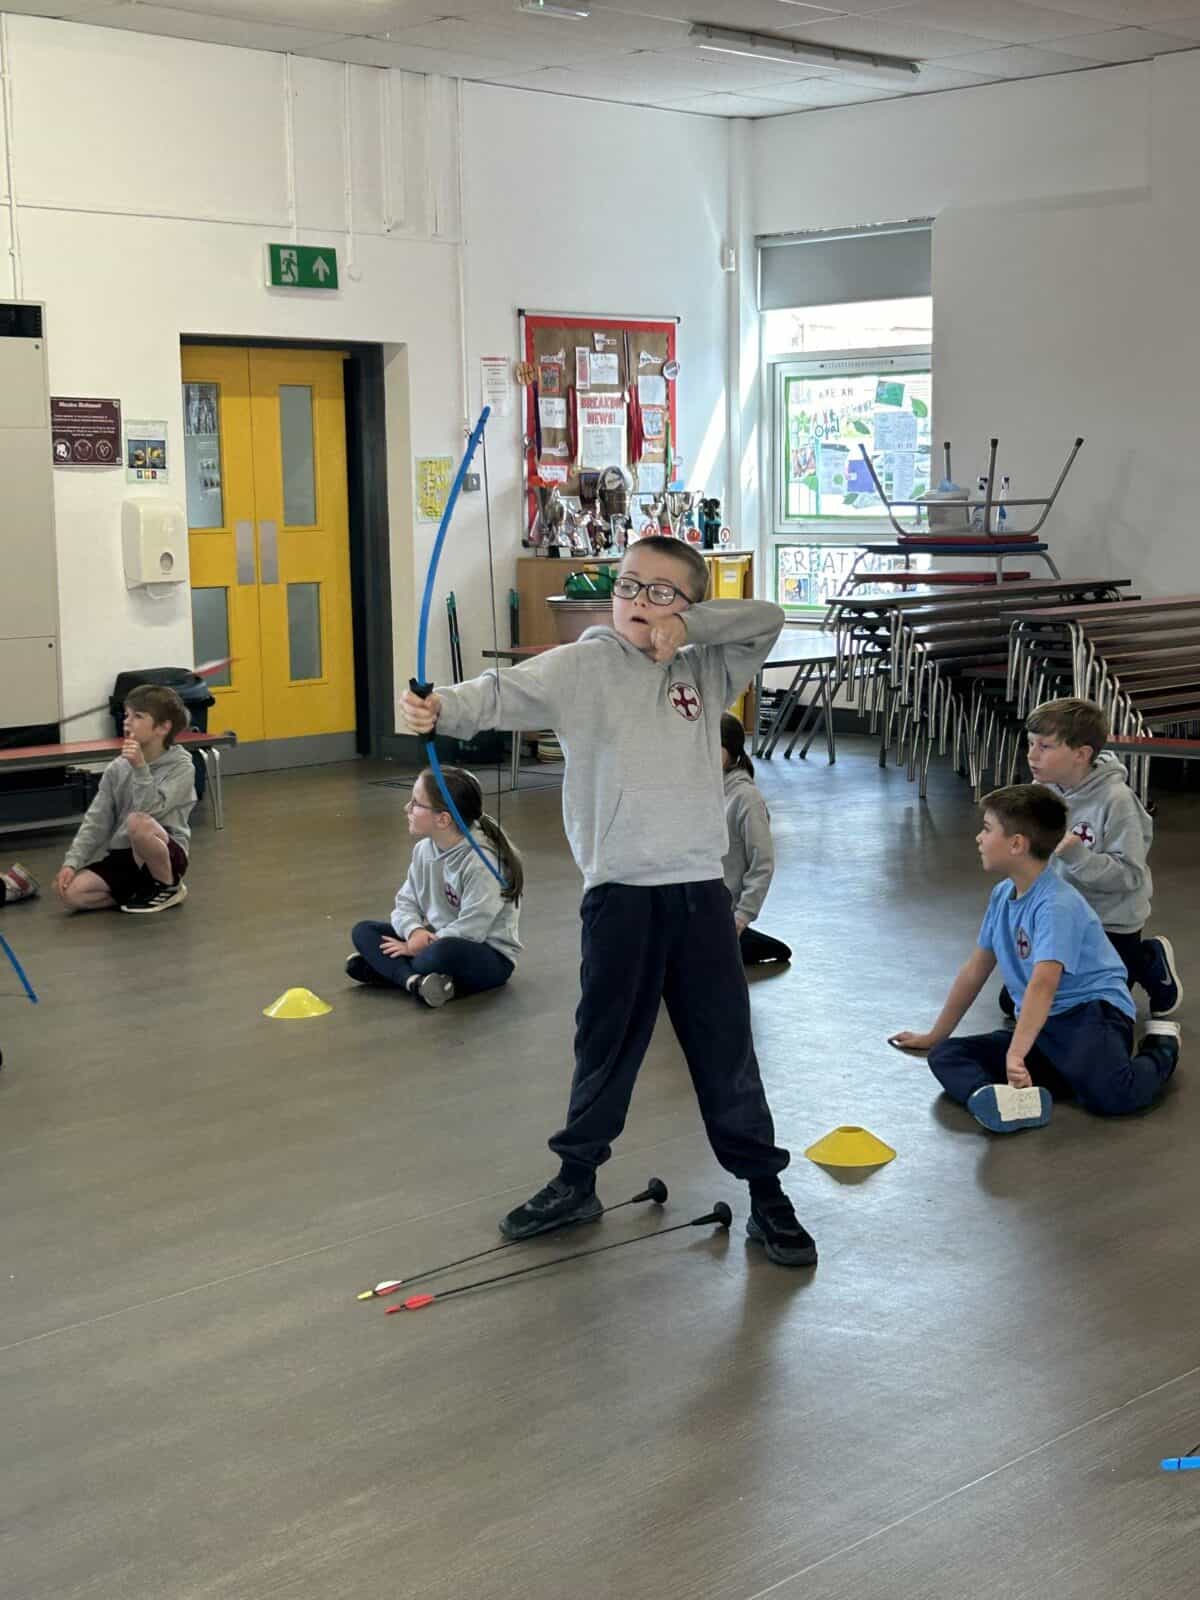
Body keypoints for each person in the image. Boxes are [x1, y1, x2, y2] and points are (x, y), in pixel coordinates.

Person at [401, 535, 816, 1267]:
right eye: (628, 585)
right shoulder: (584, 665)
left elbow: (768, 617)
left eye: (660, 591)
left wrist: (689, 629)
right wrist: (440, 709)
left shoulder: (706, 668)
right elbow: (501, 694)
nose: (636, 600)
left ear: (687, 605)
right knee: (605, 1044)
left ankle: (766, 1191)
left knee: (724, 1047)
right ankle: (577, 1179)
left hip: (700, 896)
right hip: (620, 897)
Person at [890, 783, 1180, 1134]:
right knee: (946, 1054)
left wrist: (1015, 1054)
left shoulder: (1056, 904)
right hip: (1044, 1026)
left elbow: (1044, 985)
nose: (979, 838)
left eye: (987, 829)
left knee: (1111, 1096)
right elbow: (975, 970)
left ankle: (1161, 1047)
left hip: (1090, 1014)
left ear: (1016, 844)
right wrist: (935, 1035)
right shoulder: (1002, 895)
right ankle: (994, 1100)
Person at [1020, 696, 1180, 1016]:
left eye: (1045, 746)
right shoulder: (1040, 791)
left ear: (1081, 754)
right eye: (1030, 744)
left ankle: (1148, 959)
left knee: (1100, 1009)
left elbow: (1130, 875)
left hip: (1110, 921)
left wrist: (1078, 856)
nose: (1032, 755)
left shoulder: (1117, 801)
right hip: (1062, 917)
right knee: (1013, 1002)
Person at [347, 765, 522, 1008]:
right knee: (363, 931)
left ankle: (392, 972)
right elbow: (406, 902)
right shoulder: (423, 850)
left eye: (416, 803)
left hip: (484, 955)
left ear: (443, 819)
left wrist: (420, 946)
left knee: (439, 954)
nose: (407, 808)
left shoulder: (482, 863)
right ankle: (416, 982)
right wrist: (414, 932)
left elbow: (473, 930)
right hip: (433, 938)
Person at [53, 684, 195, 914]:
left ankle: (168, 887)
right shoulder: (117, 768)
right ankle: (139, 891)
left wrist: (140, 768)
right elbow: (97, 819)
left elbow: (150, 810)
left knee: (137, 821)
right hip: (126, 855)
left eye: (138, 716)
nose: (127, 722)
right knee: (73, 894)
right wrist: (72, 862)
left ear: (163, 728)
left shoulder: (182, 767)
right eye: (127, 715)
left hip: (165, 854)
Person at [720, 713, 790, 966]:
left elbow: (762, 863)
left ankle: (743, 940)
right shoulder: (703, 790)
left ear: (730, 751)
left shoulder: (746, 799)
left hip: (724, 914)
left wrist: (742, 917)